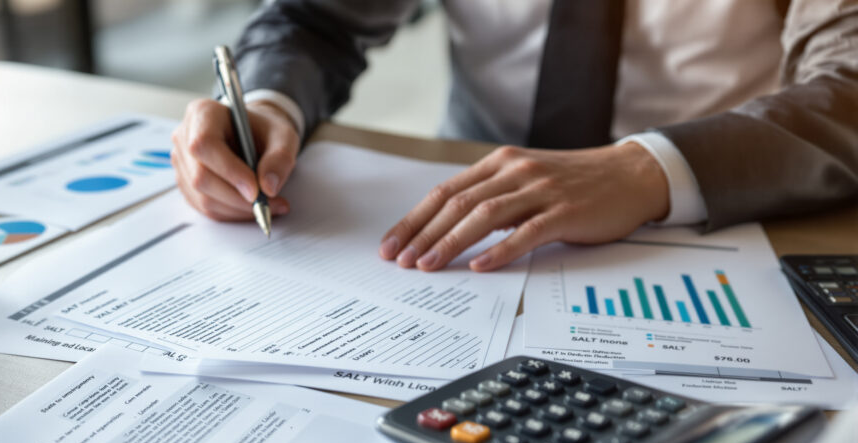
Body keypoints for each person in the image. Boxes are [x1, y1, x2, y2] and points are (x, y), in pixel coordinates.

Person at [170, 0, 858, 272]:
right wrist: (265, 106)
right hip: (465, 217)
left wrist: (646, 171)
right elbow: (316, 19)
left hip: (724, 209)